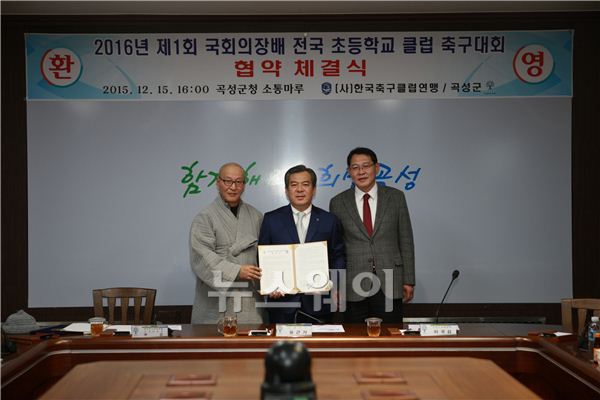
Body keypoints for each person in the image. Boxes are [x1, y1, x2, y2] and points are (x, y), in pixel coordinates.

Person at [329, 147, 415, 323]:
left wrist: (409, 279)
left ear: (377, 168)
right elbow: (336, 248)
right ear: (349, 172)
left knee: (391, 340)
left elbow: (406, 240)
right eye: (355, 167)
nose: (361, 172)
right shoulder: (338, 202)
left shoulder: (396, 197)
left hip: (390, 281)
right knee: (355, 341)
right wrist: (336, 284)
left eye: (366, 166)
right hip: (353, 284)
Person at [259, 165, 345, 323]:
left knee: (318, 348)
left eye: (305, 184)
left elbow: (337, 256)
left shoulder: (329, 220)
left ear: (314, 189)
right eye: (294, 185)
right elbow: (263, 257)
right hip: (281, 304)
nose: (300, 190)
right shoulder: (271, 219)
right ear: (286, 190)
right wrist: (270, 285)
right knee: (282, 348)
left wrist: (332, 285)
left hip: (319, 304)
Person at [189, 162, 266, 324]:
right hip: (216, 301)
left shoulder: (256, 216)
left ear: (244, 185)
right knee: (216, 347)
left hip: (249, 301)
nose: (233, 187)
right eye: (228, 181)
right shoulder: (205, 217)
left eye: (239, 182)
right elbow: (201, 257)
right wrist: (237, 271)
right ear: (218, 182)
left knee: (250, 347)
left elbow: (265, 256)